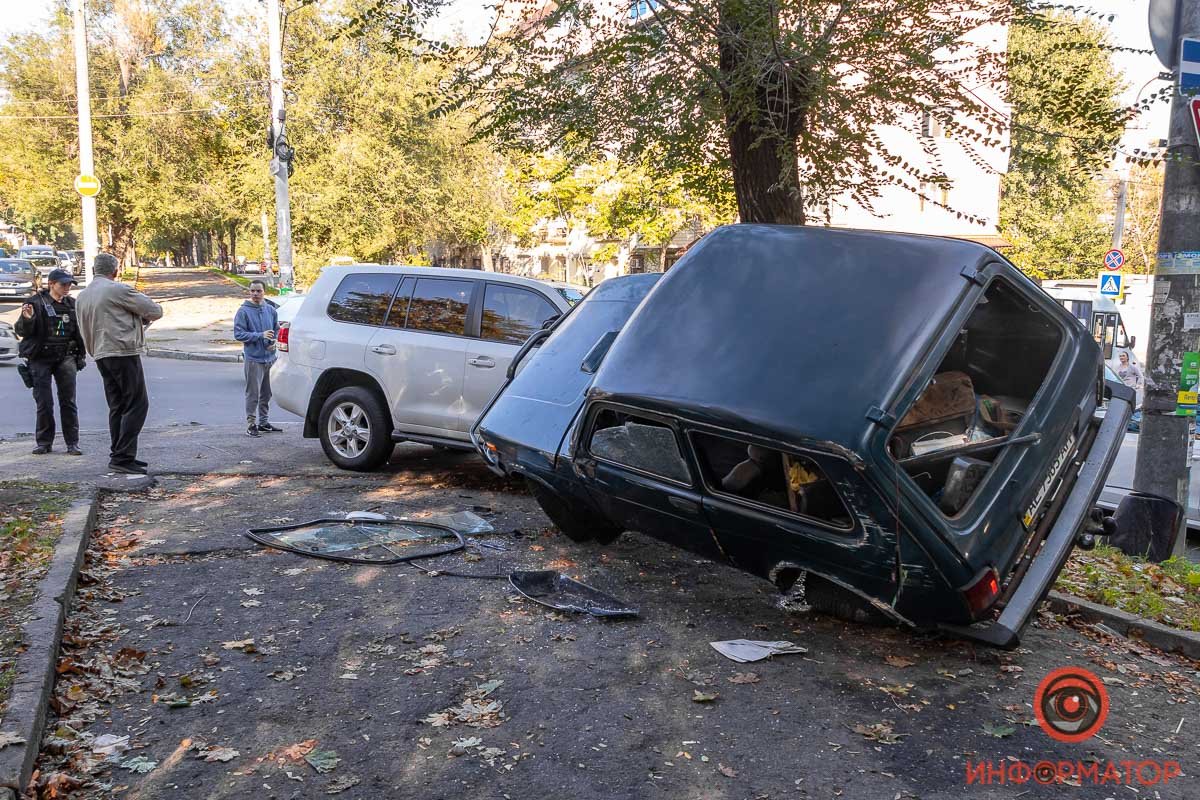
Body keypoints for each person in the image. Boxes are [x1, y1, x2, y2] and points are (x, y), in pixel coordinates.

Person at [76, 252, 163, 474]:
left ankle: (118, 454)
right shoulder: (117, 289)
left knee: (117, 406)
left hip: (100, 353)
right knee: (137, 404)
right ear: (115, 270)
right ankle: (123, 456)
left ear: (95, 269)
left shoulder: (83, 295)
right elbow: (154, 311)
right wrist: (138, 319)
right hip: (122, 350)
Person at [15, 268, 86, 455]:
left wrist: (81, 356)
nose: (67, 288)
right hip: (40, 358)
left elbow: (79, 332)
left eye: (69, 284)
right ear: (51, 284)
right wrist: (27, 319)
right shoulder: (34, 303)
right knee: (44, 403)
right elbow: (22, 331)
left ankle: (72, 443)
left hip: (66, 357)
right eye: (63, 284)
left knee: (68, 401)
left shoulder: (72, 304)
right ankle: (44, 442)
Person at [233, 280, 282, 437]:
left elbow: (276, 329)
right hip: (254, 359)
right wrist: (259, 336)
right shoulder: (243, 311)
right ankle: (251, 424)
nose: (255, 294)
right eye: (252, 291)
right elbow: (238, 334)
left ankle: (264, 422)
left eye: (258, 291)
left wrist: (273, 342)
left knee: (267, 393)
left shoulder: (271, 310)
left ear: (264, 292)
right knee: (253, 393)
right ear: (249, 292)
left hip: (270, 358)